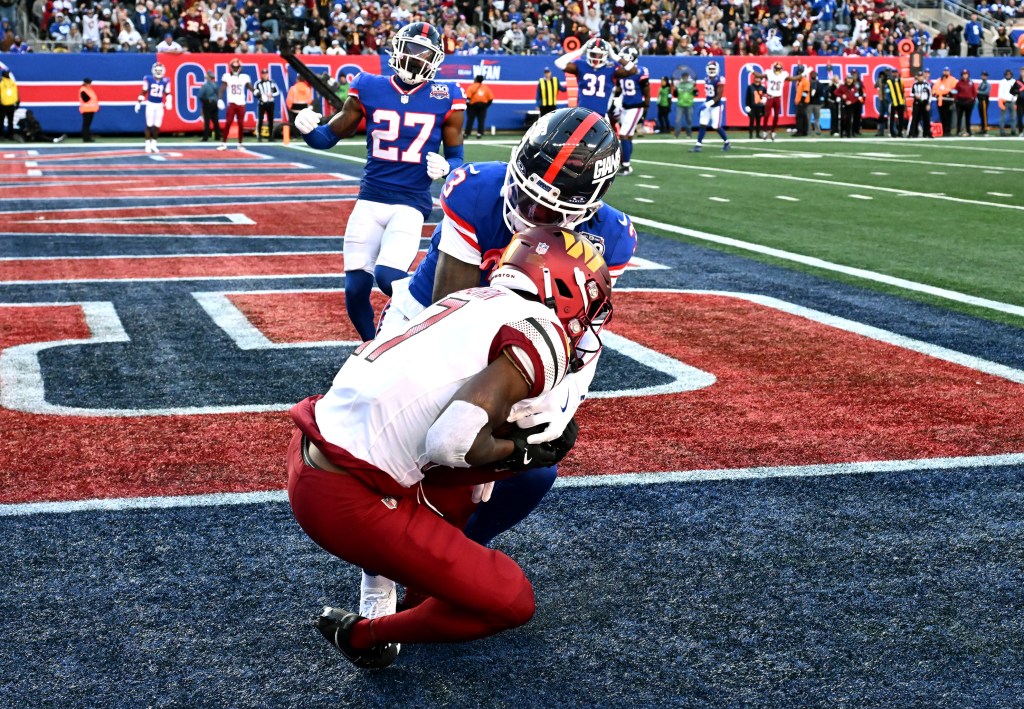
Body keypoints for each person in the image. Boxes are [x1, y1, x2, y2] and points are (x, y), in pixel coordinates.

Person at [288, 226, 612, 669]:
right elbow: (450, 441)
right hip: (347, 495)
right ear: (569, 287)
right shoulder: (541, 330)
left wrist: (503, 455)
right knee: (511, 600)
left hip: (315, 449)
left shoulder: (473, 298)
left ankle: (418, 582)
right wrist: (515, 452)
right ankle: (363, 635)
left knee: (487, 470)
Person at [360, 107, 636, 621]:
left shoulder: (612, 239)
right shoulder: (477, 191)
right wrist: (481, 416)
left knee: (533, 465)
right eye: (527, 193)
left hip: (524, 338)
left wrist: (541, 411)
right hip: (430, 316)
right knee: (404, 446)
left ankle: (454, 552)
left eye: (548, 209)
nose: (531, 212)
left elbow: (580, 336)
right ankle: (377, 570)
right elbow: (450, 313)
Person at [293, 21, 466, 342]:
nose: (414, 58)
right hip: (371, 197)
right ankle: (371, 347)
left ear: (436, 59)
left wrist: (447, 166)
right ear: (396, 49)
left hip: (411, 202)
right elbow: (326, 138)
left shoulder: (447, 95)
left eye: (423, 53)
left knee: (388, 277)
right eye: (410, 49)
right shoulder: (369, 86)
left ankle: (433, 329)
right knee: (355, 287)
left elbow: (458, 158)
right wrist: (305, 129)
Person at [558, 37, 637, 116]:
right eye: (593, 54)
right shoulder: (581, 65)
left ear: (606, 54)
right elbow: (559, 63)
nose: (596, 58)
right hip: (582, 113)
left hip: (601, 115)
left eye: (599, 55)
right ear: (588, 52)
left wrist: (613, 55)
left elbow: (633, 70)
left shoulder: (610, 68)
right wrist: (581, 51)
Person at [615, 46, 649, 175]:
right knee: (627, 136)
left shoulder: (640, 71)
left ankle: (626, 166)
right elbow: (619, 88)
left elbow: (647, 91)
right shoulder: (621, 71)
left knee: (624, 134)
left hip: (636, 106)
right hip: (625, 106)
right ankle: (625, 162)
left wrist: (646, 107)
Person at [690, 60, 731, 152]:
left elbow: (719, 95)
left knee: (715, 126)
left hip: (716, 106)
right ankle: (698, 144)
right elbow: (709, 93)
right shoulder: (707, 79)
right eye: (710, 69)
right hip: (708, 104)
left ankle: (727, 142)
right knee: (702, 123)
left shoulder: (720, 79)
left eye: (713, 69)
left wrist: (708, 103)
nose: (712, 70)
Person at [135, 62, 171, 154]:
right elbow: (144, 92)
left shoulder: (166, 80)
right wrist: (138, 102)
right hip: (150, 104)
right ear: (153, 70)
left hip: (159, 105)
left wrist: (169, 101)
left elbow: (167, 93)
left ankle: (153, 144)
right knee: (149, 124)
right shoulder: (148, 79)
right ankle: (147, 144)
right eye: (157, 70)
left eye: (160, 70)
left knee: (157, 125)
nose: (158, 72)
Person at [217, 58, 252, 151]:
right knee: (228, 123)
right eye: (234, 67)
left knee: (241, 124)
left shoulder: (244, 77)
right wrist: (219, 99)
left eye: (237, 67)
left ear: (240, 67)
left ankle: (240, 144)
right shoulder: (227, 76)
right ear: (230, 67)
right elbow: (222, 89)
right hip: (232, 103)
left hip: (241, 104)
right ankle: (224, 143)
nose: (235, 69)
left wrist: (258, 93)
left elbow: (250, 87)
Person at [762, 61, 797, 142]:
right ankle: (764, 130)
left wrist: (802, 74)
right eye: (777, 69)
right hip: (770, 96)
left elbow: (793, 78)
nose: (778, 70)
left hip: (777, 97)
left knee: (776, 115)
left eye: (779, 69)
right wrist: (752, 71)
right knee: (767, 114)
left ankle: (773, 130)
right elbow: (760, 75)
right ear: (773, 68)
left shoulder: (783, 75)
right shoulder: (769, 73)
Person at [253, 68, 279, 142]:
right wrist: (261, 96)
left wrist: (271, 94)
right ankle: (259, 136)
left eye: (266, 74)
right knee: (260, 119)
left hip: (270, 103)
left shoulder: (272, 82)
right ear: (261, 75)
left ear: (268, 74)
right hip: (262, 103)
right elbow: (255, 93)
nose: (265, 75)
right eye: (263, 74)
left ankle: (271, 136)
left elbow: (277, 92)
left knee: (271, 119)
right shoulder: (258, 83)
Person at [464, 74, 493, 138]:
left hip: (472, 106)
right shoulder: (486, 88)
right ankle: (480, 133)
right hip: (483, 106)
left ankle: (467, 133)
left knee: (470, 120)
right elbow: (491, 99)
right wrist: (486, 106)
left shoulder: (471, 87)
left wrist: (468, 106)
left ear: (476, 79)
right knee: (481, 120)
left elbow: (468, 98)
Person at [932, 66, 957, 137]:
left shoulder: (952, 80)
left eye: (947, 71)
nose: (946, 72)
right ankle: (943, 130)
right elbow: (934, 89)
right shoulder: (939, 80)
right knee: (942, 116)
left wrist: (947, 92)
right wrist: (936, 94)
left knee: (949, 116)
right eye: (945, 71)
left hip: (949, 100)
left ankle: (948, 130)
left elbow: (954, 90)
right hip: (941, 100)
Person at [198, 71, 221, 142]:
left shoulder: (205, 86)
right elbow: (218, 94)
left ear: (207, 77)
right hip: (215, 103)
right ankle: (217, 136)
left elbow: (200, 96)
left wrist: (204, 103)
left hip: (208, 103)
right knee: (215, 121)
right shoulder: (215, 85)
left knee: (207, 121)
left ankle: (205, 137)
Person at [909, 70, 933, 138]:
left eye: (921, 76)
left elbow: (930, 95)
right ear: (917, 77)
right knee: (915, 118)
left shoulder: (927, 84)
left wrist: (928, 103)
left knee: (926, 119)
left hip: (924, 102)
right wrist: (915, 95)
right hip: (917, 103)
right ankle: (913, 133)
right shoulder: (914, 84)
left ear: (923, 77)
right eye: (919, 76)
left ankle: (927, 133)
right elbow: (911, 93)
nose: (920, 78)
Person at [954, 68, 977, 136]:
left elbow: (974, 92)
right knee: (959, 117)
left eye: (966, 74)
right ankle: (958, 131)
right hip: (960, 101)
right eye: (964, 74)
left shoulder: (971, 82)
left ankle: (968, 131)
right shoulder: (959, 83)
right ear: (962, 75)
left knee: (968, 117)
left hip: (969, 102)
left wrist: (973, 100)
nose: (965, 76)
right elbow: (955, 92)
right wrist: (956, 100)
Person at [674, 70, 695, 139]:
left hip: (689, 104)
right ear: (682, 77)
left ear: (688, 77)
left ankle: (688, 134)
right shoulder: (678, 85)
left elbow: (696, 94)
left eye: (686, 77)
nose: (685, 78)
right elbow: (675, 95)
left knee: (689, 120)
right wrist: (675, 89)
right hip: (680, 104)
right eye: (684, 77)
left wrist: (695, 89)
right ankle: (676, 135)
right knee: (678, 120)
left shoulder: (691, 85)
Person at [885, 70, 907, 138]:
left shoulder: (901, 81)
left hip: (900, 102)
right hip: (893, 102)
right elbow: (887, 92)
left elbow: (903, 91)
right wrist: (890, 101)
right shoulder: (889, 82)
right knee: (892, 118)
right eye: (894, 73)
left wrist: (904, 101)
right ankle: (892, 132)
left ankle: (900, 132)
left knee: (901, 118)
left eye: (896, 73)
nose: (895, 74)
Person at [745, 71, 766, 139]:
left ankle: (757, 134)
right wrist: (747, 106)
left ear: (761, 80)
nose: (757, 79)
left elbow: (765, 97)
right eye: (756, 78)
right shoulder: (750, 87)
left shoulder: (763, 88)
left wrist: (764, 104)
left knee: (758, 121)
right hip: (752, 106)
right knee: (751, 121)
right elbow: (747, 97)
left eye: (759, 78)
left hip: (760, 106)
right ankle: (750, 135)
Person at [79, 77, 98, 143]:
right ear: (85, 83)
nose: (90, 84)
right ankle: (86, 138)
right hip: (86, 109)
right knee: (86, 125)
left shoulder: (88, 89)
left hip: (91, 109)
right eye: (88, 83)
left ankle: (88, 137)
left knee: (88, 125)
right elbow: (86, 99)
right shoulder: (83, 90)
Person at [997, 68, 1017, 136]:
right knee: (1003, 117)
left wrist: (1015, 101)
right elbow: (1000, 92)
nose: (1008, 75)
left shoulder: (1014, 81)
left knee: (1013, 117)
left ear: (1011, 75)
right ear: (1005, 75)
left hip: (1012, 101)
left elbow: (1016, 92)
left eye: (1009, 74)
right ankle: (1002, 131)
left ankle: (1013, 130)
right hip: (1004, 101)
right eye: (1007, 74)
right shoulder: (1002, 82)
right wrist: (1000, 101)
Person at [793, 65, 810, 137]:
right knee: (802, 116)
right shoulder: (798, 81)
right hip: (799, 101)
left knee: (800, 116)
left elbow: (806, 91)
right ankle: (803, 131)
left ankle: (801, 131)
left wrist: (802, 101)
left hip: (803, 101)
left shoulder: (805, 81)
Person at [0, 68, 16, 141]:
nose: (8, 74)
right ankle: (1, 135)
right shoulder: (1, 82)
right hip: (3, 104)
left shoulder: (12, 82)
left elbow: (15, 92)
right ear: (3, 73)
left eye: (8, 73)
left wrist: (17, 100)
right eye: (6, 73)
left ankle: (10, 135)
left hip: (11, 104)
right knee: (1, 120)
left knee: (11, 121)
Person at [977, 71, 991, 136]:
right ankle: (982, 128)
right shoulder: (981, 83)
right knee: (981, 114)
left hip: (984, 100)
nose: (983, 77)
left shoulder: (987, 84)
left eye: (985, 75)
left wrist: (978, 92)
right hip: (980, 100)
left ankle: (985, 129)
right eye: (982, 75)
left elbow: (986, 92)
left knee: (984, 115)